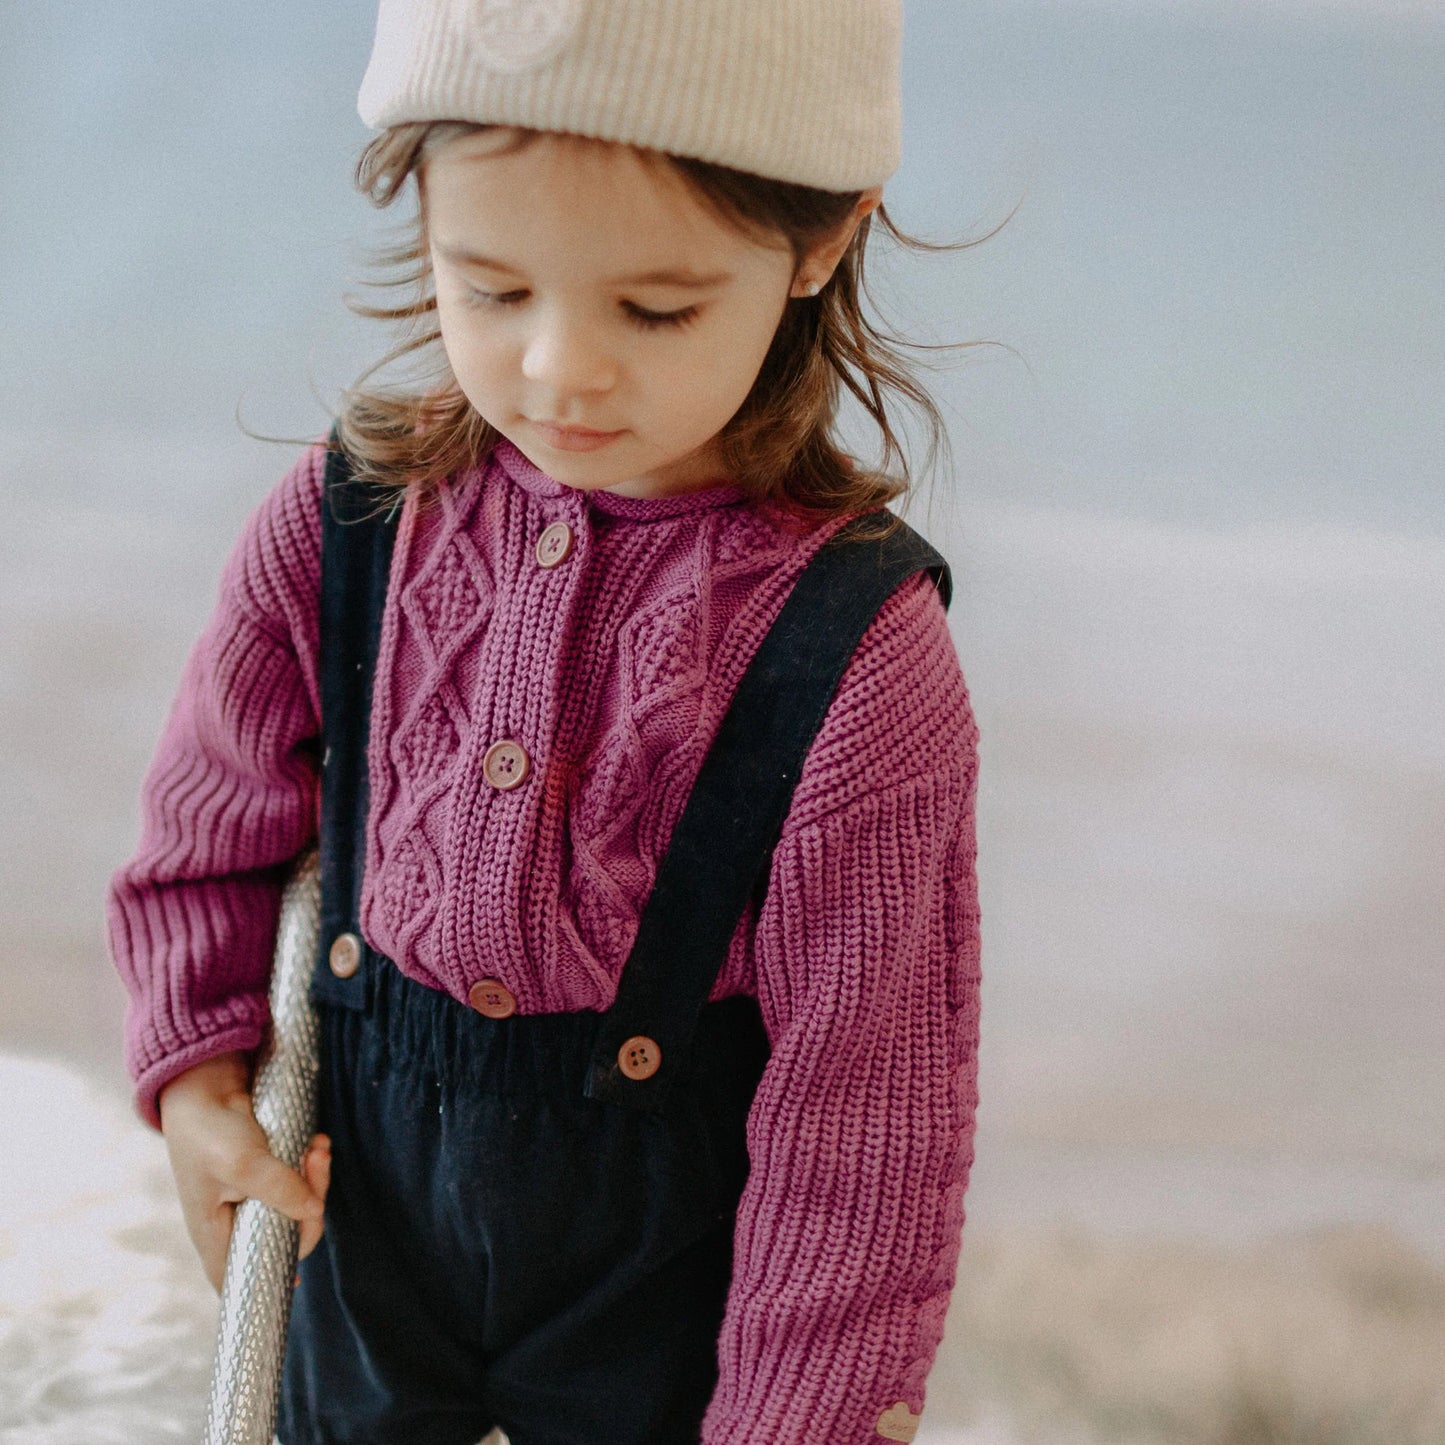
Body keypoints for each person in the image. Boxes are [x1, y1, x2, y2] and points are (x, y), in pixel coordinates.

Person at [106, 2, 984, 1441]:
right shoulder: (345, 529)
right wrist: (197, 1075)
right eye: (491, 286)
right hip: (362, 1214)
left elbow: (861, 1129)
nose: (557, 369)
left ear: (820, 240)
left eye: (655, 308)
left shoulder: (857, 658)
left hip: (670, 1278)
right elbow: (203, 838)